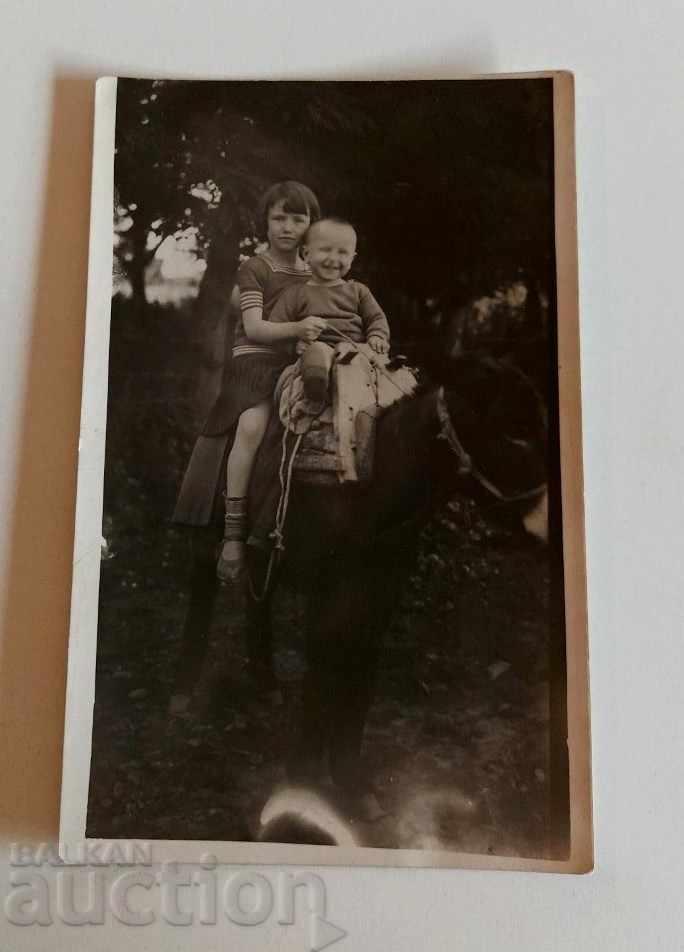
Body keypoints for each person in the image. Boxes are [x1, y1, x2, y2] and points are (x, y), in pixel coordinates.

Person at [172, 181, 326, 581]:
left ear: (311, 224)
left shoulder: (316, 270)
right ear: (266, 222)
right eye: (279, 218)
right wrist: (300, 328)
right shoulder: (254, 267)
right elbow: (255, 328)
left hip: (298, 362)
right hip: (256, 363)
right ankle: (233, 536)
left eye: (298, 218)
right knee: (252, 425)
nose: (288, 227)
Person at [269, 217, 391, 402]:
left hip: (356, 352)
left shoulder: (358, 291)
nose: (333, 258)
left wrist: (377, 336)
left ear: (352, 258)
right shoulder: (296, 293)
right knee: (317, 353)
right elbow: (276, 328)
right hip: (317, 350)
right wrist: (293, 345)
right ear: (306, 253)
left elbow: (376, 318)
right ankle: (316, 390)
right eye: (325, 250)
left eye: (342, 252)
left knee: (388, 374)